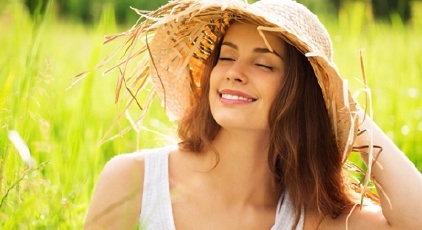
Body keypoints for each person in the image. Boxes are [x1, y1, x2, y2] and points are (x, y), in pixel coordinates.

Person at [83, 0, 422, 229]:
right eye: (226, 58)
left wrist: (350, 115)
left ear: (299, 95)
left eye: (263, 64)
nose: (234, 72)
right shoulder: (134, 181)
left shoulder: (313, 218)